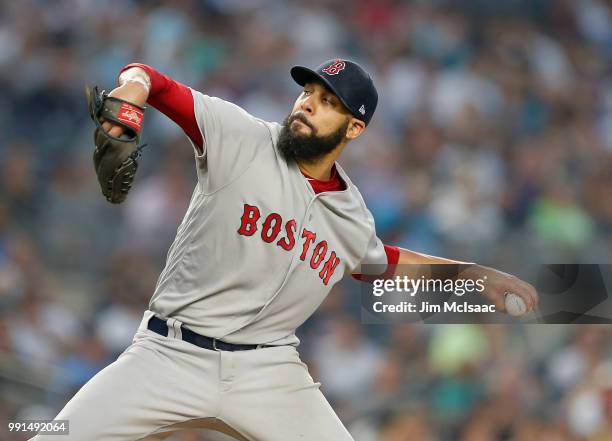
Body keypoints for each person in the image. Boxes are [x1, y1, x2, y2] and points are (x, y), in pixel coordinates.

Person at [32, 58, 538, 441]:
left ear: (354, 128)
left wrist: (477, 277)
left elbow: (385, 263)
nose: (308, 102)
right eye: (309, 91)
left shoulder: (351, 215)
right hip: (168, 352)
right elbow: (151, 78)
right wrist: (133, 92)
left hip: (267, 371)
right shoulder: (241, 137)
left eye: (329, 101)